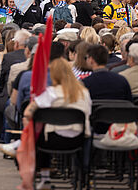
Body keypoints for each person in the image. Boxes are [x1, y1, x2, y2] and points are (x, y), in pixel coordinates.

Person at [22, 58, 91, 188]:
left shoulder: (50, 93)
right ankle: (82, 175)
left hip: (51, 140)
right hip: (78, 139)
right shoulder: (85, 93)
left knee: (41, 129)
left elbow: (28, 112)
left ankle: (44, 176)